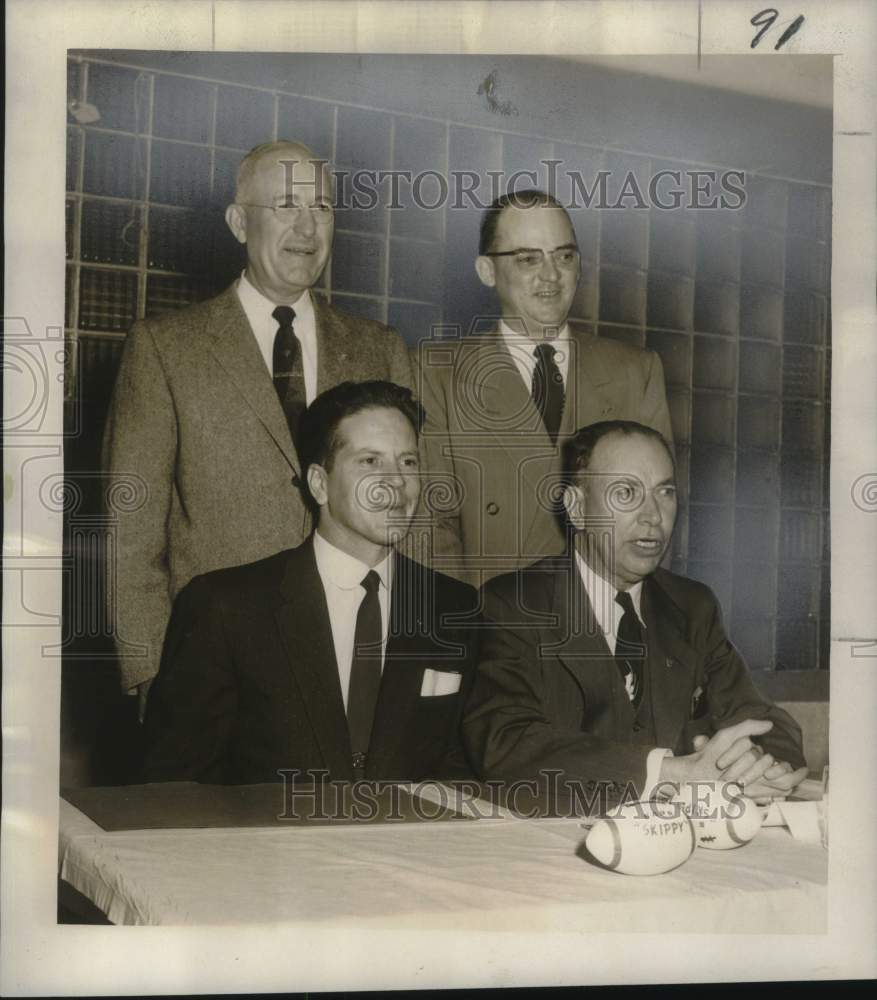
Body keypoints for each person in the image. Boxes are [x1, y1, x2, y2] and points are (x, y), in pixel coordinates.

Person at [103, 141, 413, 707]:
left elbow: (413, 516)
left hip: (358, 656)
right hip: (214, 666)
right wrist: (150, 672)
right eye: (286, 205)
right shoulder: (165, 348)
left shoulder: (379, 347)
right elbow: (130, 529)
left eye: (322, 208)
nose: (307, 227)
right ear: (239, 222)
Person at [142, 381, 478, 784]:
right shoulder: (227, 607)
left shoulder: (455, 609)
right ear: (319, 483)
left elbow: (462, 770)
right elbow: (172, 785)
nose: (396, 482)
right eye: (370, 461)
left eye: (408, 462)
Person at [463, 420, 808, 806]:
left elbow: (766, 722)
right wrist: (667, 773)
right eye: (626, 492)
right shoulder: (514, 604)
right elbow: (504, 742)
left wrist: (762, 765)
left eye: (665, 492)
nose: (653, 516)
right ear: (577, 508)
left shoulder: (692, 606)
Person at [414, 190, 673, 586]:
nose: (551, 275)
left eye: (564, 256)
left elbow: (654, 515)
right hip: (484, 613)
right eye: (528, 259)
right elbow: (428, 524)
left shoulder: (635, 372)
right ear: (486, 270)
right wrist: (478, 617)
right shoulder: (437, 374)